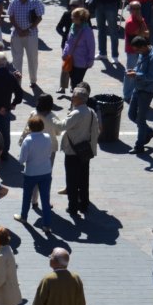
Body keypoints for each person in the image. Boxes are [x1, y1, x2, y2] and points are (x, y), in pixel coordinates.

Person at [56, 87, 98, 218]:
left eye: (73, 96)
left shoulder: (76, 113)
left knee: (72, 181)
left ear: (79, 99)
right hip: (85, 151)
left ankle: (72, 207)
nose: (71, 98)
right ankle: (84, 204)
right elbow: (96, 132)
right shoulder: (91, 112)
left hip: (73, 152)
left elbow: (61, 126)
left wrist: (51, 118)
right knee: (83, 179)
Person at [15, 116, 54, 231]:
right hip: (46, 171)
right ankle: (47, 225)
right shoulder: (47, 137)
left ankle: (24, 217)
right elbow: (49, 153)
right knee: (45, 199)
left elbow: (22, 160)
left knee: (27, 196)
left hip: (31, 173)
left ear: (30, 127)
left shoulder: (28, 140)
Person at [126, 36, 153, 155]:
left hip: (146, 91)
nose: (136, 52)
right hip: (138, 88)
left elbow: (152, 77)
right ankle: (148, 131)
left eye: (137, 50)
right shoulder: (143, 54)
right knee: (131, 115)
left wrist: (136, 74)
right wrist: (134, 70)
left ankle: (139, 145)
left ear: (144, 46)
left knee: (140, 119)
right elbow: (139, 67)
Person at [62, 6, 96, 87]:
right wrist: (65, 53)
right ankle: (78, 96)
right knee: (74, 81)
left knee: (76, 82)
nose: (71, 18)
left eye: (73, 16)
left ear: (79, 18)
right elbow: (68, 42)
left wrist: (90, 60)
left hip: (81, 62)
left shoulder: (87, 31)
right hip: (71, 60)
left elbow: (91, 47)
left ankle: (79, 97)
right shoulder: (72, 27)